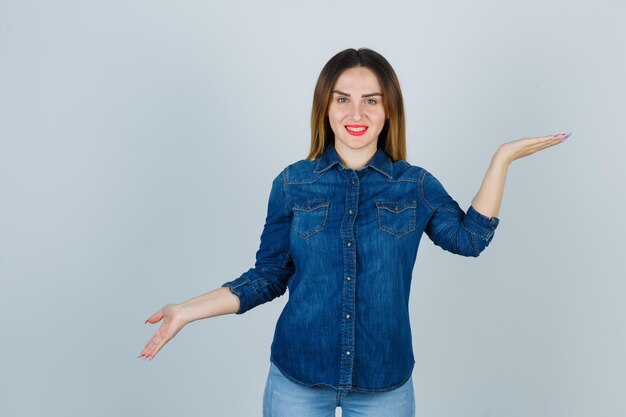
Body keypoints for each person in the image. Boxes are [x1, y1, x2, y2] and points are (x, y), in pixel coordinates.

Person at [138, 47, 571, 417]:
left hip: (385, 380)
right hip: (298, 376)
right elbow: (267, 277)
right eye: (342, 99)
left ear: (389, 111)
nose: (356, 113)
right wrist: (186, 310)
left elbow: (470, 239)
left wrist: (502, 158)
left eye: (372, 101)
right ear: (325, 107)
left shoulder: (415, 185)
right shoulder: (292, 183)